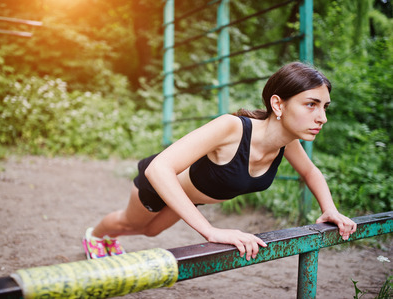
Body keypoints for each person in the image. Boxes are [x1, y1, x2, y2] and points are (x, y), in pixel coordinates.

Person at [82, 62, 357, 260]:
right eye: (311, 104)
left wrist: (329, 209)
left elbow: (311, 172)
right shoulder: (232, 128)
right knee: (129, 223)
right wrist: (210, 231)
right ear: (278, 105)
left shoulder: (288, 142)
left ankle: (107, 238)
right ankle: (95, 235)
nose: (322, 117)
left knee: (151, 232)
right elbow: (160, 168)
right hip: (160, 184)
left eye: (324, 107)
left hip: (192, 198)